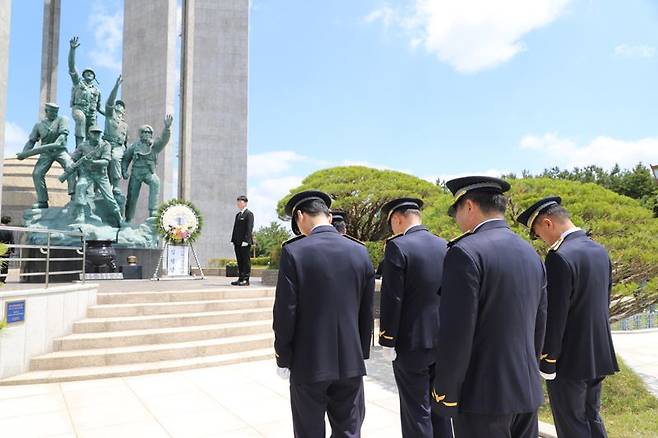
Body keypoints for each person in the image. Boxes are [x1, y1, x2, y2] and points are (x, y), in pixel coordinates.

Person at [431, 176, 547, 438]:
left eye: (456, 211)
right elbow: (540, 323)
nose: (456, 219)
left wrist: (445, 392)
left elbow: (456, 333)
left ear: (469, 206)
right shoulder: (531, 253)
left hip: (482, 395)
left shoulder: (465, 252)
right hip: (525, 389)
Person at [273, 190, 375, 438]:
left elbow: (286, 312)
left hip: (309, 362)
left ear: (299, 216)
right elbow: (366, 310)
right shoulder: (359, 251)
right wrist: (360, 351)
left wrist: (283, 357)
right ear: (329, 216)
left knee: (309, 431)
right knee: (349, 430)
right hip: (350, 361)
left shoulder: (295, 252)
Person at [517, 197, 618, 438]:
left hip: (569, 358)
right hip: (599, 352)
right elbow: (603, 303)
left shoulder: (559, 256)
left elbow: (555, 315)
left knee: (571, 424)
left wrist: (548, 358)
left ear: (548, 223)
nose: (542, 240)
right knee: (592, 417)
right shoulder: (599, 250)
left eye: (538, 233)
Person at [378, 197, 452, 438]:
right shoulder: (447, 245)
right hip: (443, 341)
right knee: (440, 409)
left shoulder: (398, 247)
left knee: (416, 411)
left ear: (397, 218)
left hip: (411, 344)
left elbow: (392, 299)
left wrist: (387, 339)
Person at [19, 102, 75, 208]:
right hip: (46, 154)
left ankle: (74, 197)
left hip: (60, 151)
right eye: (52, 112)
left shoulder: (63, 120)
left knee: (71, 167)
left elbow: (61, 138)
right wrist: (24, 153)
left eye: (56, 112)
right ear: (46, 111)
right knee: (37, 173)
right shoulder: (39, 125)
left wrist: (55, 144)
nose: (54, 114)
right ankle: (42, 201)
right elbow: (31, 141)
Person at [122, 115, 173, 222]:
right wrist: (124, 171)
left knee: (155, 182)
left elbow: (164, 140)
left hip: (148, 172)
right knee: (132, 195)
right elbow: (126, 158)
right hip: (136, 173)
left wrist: (167, 128)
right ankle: (128, 218)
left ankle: (153, 211)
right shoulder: (134, 146)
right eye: (144, 132)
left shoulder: (154, 145)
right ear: (140, 134)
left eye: (149, 132)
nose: (146, 134)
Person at [70, 125, 122, 227]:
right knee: (80, 186)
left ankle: (119, 217)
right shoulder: (83, 145)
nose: (97, 135)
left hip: (101, 175)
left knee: (109, 197)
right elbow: (74, 158)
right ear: (89, 134)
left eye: (98, 133)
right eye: (94, 133)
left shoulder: (105, 145)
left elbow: (106, 162)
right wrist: (72, 165)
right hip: (87, 174)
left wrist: (92, 162)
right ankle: (80, 215)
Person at [68, 36, 104, 146]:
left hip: (92, 113)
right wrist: (72, 50)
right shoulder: (78, 83)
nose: (89, 74)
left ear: (94, 77)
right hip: (79, 109)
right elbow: (72, 67)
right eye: (87, 72)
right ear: (83, 75)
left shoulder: (97, 91)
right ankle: (79, 148)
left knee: (93, 131)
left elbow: (99, 108)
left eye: (91, 73)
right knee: (81, 119)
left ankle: (89, 151)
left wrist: (111, 114)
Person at [104, 75, 129, 209]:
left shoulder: (125, 125)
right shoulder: (109, 116)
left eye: (121, 107)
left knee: (115, 158)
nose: (119, 107)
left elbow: (126, 142)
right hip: (107, 144)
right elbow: (110, 101)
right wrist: (116, 86)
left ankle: (116, 187)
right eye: (117, 106)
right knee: (103, 160)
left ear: (124, 111)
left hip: (119, 147)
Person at [230, 195, 254, 286]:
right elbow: (235, 229)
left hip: (245, 242)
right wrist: (234, 240)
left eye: (240, 202)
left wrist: (246, 240)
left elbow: (249, 228)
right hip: (237, 242)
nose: (239, 204)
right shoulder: (238, 215)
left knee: (245, 261)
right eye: (238, 202)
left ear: (245, 203)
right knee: (239, 260)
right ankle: (240, 278)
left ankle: (246, 279)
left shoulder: (249, 214)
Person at [0, 216, 14, 284]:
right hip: (5, 249)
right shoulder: (9, 230)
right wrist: (12, 250)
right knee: (5, 265)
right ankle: (2, 279)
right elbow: (12, 241)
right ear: (8, 222)